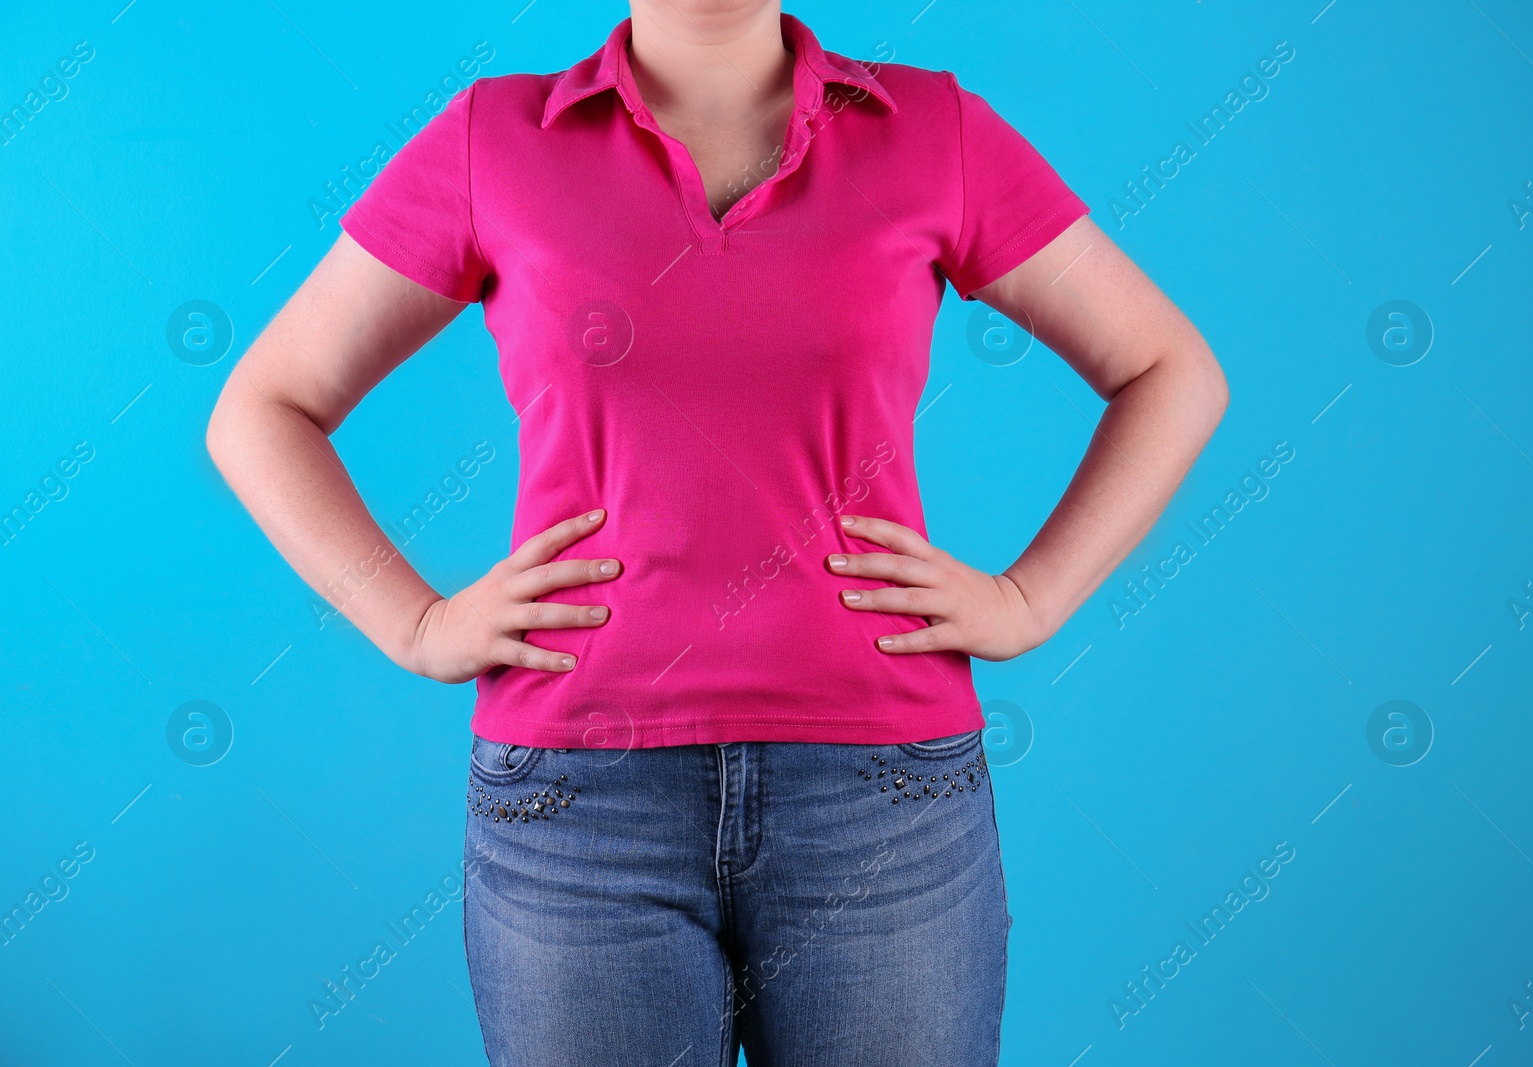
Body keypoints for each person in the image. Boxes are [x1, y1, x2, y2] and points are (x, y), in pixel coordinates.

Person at [206, 3, 1227, 1064]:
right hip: (578, 801)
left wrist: (1029, 598)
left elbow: (1169, 370)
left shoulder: (934, 130)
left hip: (881, 795)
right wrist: (416, 622)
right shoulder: (494, 139)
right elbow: (264, 407)